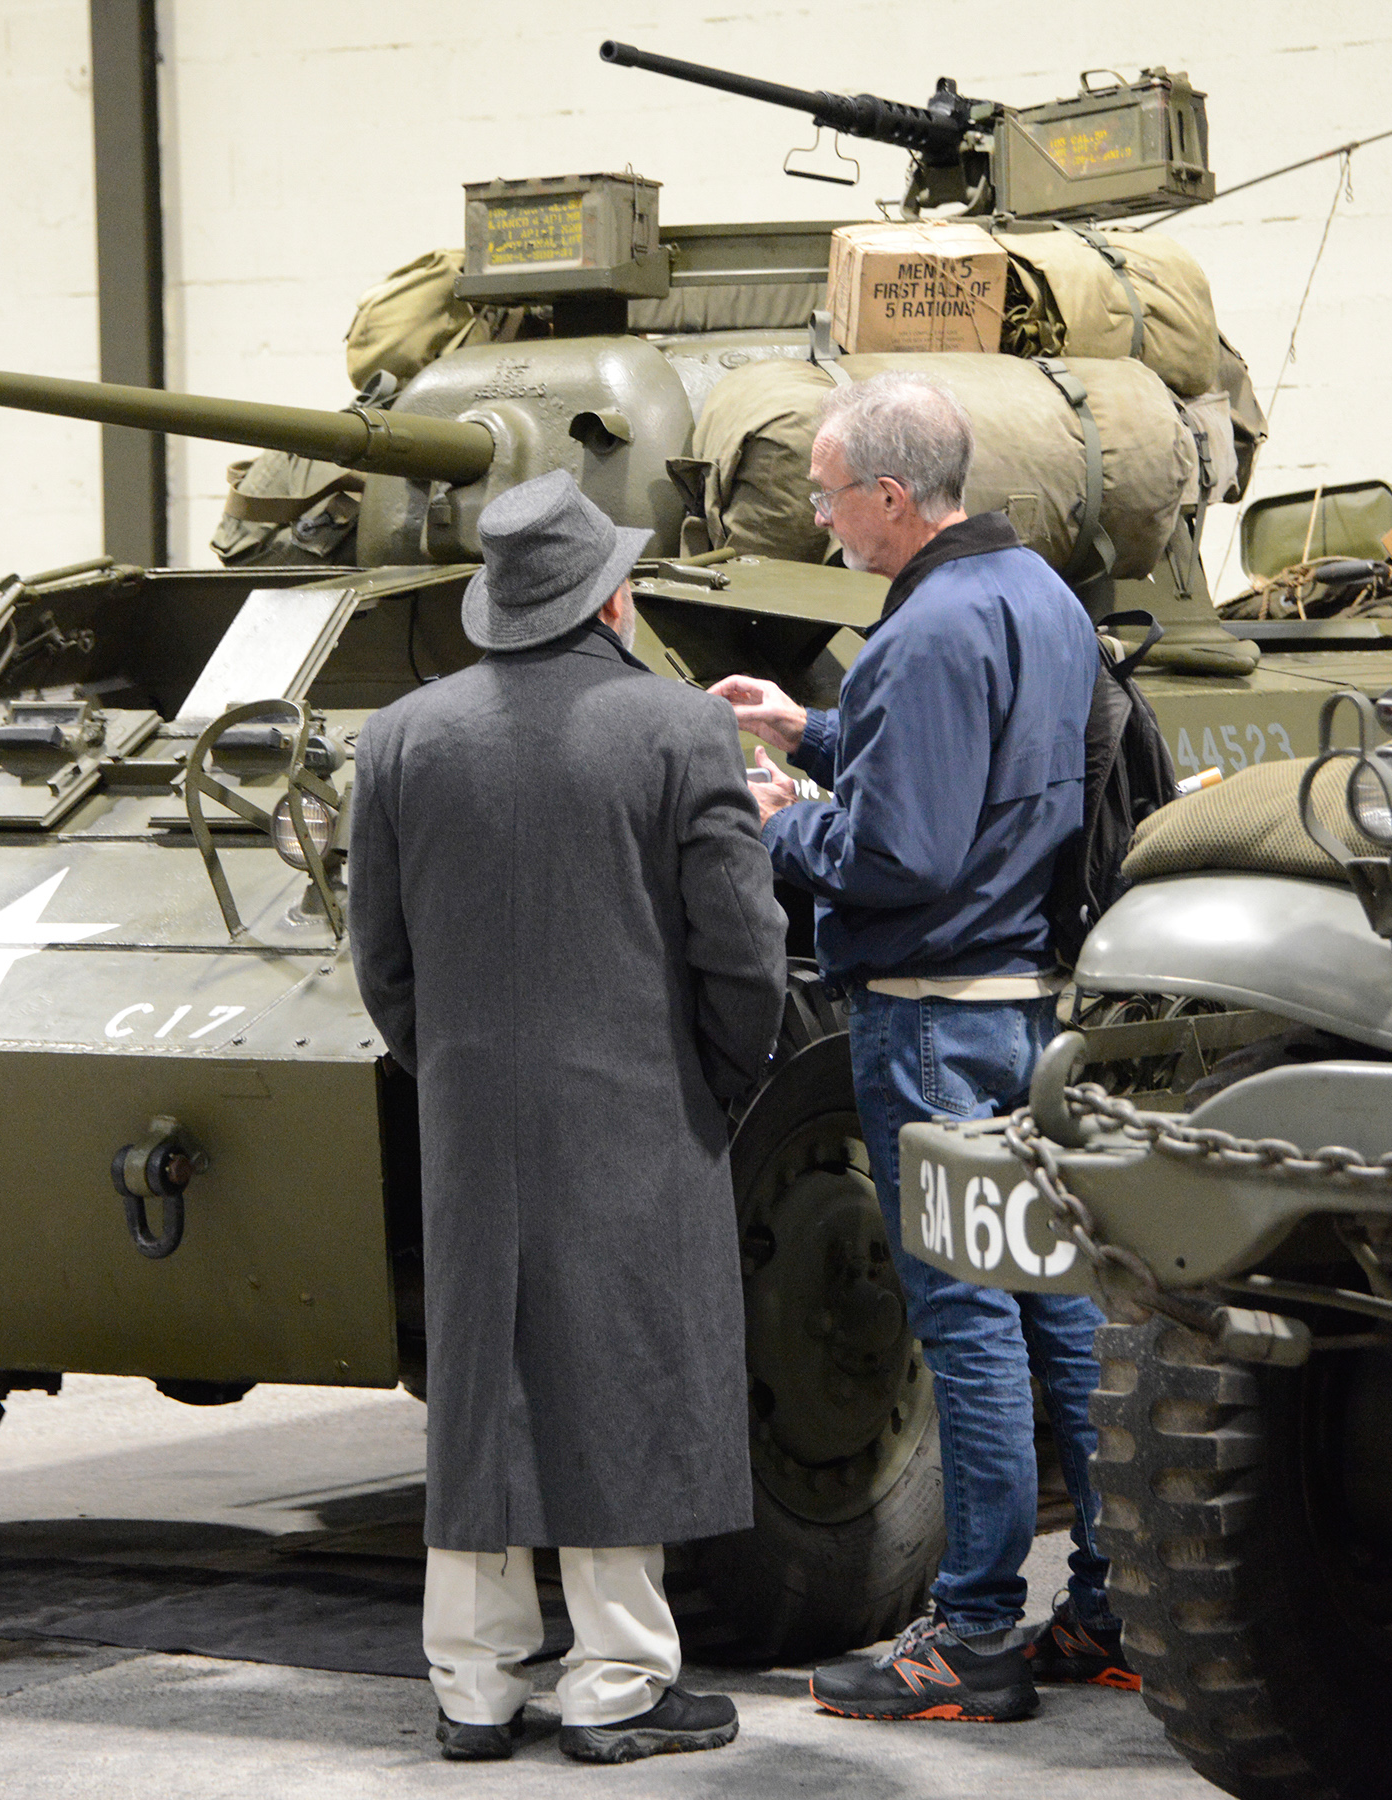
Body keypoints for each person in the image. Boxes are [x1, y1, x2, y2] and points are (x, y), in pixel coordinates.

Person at [348, 468, 787, 1765]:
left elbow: (381, 962)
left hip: (469, 1116)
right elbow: (743, 948)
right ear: (613, 598)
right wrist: (715, 1080)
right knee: (620, 1368)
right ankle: (617, 1683)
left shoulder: (402, 737)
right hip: (640, 1108)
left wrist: (457, 1071)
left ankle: (473, 1688)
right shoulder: (678, 729)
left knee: (482, 1381)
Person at [710, 372, 1128, 1724]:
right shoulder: (1035, 594)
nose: (822, 520)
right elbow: (972, 760)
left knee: (966, 1321)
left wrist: (775, 816)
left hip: (933, 1020)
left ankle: (976, 1634)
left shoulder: (922, 629)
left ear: (892, 495)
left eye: (829, 497)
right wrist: (815, 732)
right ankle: (1114, 1605)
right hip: (1026, 1005)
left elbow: (900, 854)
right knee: (1060, 1309)